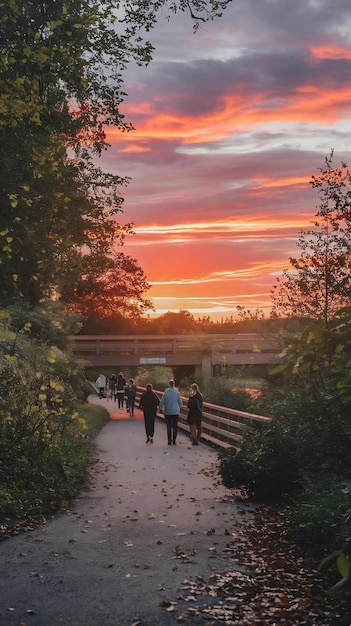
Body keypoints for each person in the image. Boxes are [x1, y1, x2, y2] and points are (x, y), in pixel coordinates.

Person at [159, 379, 182, 445]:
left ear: (169, 385)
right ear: (174, 385)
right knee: (175, 426)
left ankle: (169, 441)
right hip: (175, 412)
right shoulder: (177, 393)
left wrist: (160, 408)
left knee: (168, 426)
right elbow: (180, 402)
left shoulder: (166, 392)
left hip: (167, 412)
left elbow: (161, 402)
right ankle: (174, 440)